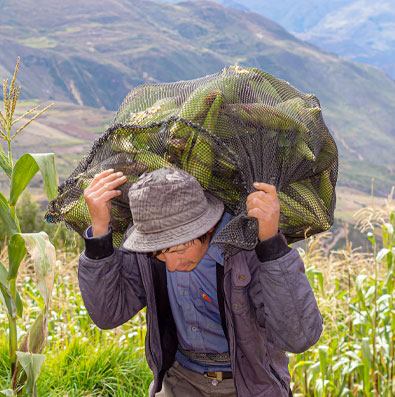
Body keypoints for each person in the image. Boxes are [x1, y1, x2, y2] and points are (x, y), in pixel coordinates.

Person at [78, 166, 323, 397]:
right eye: (159, 254)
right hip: (180, 380)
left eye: (177, 249)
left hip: (248, 383)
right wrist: (99, 231)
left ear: (207, 228)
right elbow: (108, 314)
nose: (171, 265)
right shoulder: (149, 253)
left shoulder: (247, 248)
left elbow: (298, 337)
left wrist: (271, 246)